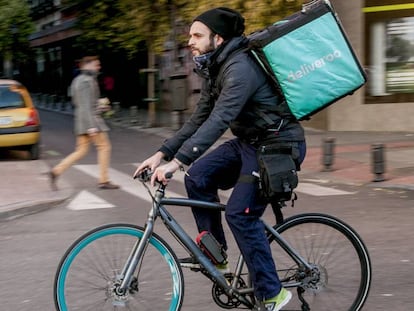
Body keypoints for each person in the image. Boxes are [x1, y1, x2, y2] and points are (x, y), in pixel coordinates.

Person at [134, 7, 306, 311]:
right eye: (190, 35)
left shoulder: (240, 68)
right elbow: (198, 119)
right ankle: (218, 256)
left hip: (277, 145)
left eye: (197, 35)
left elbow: (219, 120)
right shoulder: (217, 68)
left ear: (219, 37)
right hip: (249, 143)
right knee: (197, 177)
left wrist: (176, 162)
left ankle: (272, 293)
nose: (190, 41)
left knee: (240, 214)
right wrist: (161, 153)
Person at [49, 55, 119, 190]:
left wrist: (100, 106)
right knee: (104, 147)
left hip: (82, 122)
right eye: (96, 65)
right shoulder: (86, 81)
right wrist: (91, 126)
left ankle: (56, 171)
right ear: (87, 65)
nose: (98, 67)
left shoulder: (78, 80)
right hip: (91, 122)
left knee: (81, 151)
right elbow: (85, 105)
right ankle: (104, 180)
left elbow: (78, 102)